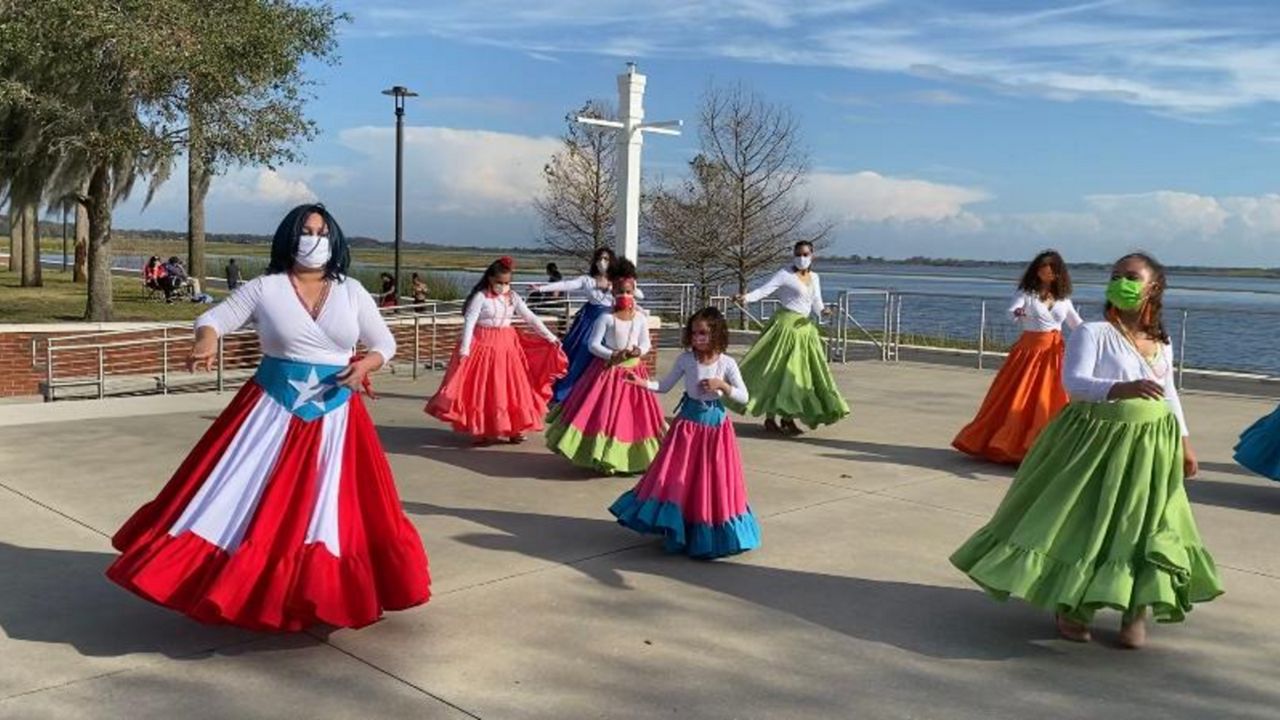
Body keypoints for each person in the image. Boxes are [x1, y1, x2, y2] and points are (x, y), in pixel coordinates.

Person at [106, 203, 431, 631]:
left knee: (330, 510)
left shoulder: (351, 290)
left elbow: (384, 342)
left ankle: (318, 592)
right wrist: (206, 342)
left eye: (320, 232)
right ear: (287, 237)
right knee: (242, 501)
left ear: (333, 240)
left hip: (336, 416)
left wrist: (367, 364)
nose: (313, 239)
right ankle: (246, 588)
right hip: (270, 412)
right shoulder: (266, 288)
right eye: (304, 230)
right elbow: (215, 317)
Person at [950, 252, 1222, 649]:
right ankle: (1073, 605)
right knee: (1086, 521)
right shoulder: (1093, 332)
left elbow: (1170, 394)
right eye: (1115, 275)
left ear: (1154, 287)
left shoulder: (1161, 341)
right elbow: (1074, 383)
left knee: (1145, 523)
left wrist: (1184, 441)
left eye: (1130, 276)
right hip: (1098, 439)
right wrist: (1119, 389)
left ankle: (1136, 608)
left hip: (1152, 443)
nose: (1120, 282)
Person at [610, 307, 760, 559]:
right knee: (679, 477)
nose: (697, 338)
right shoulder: (685, 360)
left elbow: (744, 397)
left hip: (715, 431)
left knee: (710, 481)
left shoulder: (726, 363)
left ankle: (708, 529)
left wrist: (722, 385)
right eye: (693, 333)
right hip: (686, 429)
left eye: (703, 333)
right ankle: (677, 526)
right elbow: (665, 386)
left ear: (717, 334)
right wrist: (642, 383)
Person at [953, 250, 1083, 464]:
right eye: (1042, 268)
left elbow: (1077, 325)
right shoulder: (1027, 294)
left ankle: (1047, 446)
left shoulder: (1063, 300)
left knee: (1051, 399)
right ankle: (1009, 445)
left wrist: (1100, 334)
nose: (1046, 272)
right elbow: (1010, 311)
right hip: (1028, 353)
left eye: (1050, 269)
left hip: (1054, 355)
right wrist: (1018, 313)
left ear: (1058, 273)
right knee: (1017, 396)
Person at [425, 257, 567, 445]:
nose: (503, 286)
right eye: (499, 282)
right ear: (491, 279)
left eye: (507, 282)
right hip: (483, 346)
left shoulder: (513, 297)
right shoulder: (481, 296)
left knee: (512, 388)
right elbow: (470, 321)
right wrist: (465, 349)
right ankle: (484, 428)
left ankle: (515, 428)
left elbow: (530, 318)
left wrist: (551, 337)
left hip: (508, 346)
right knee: (486, 389)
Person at [545, 259, 666, 475]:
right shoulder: (605, 317)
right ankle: (601, 455)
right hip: (606, 373)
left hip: (633, 374)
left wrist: (640, 351)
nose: (625, 296)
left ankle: (633, 458)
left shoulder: (639, 318)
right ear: (613, 292)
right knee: (604, 417)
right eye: (620, 292)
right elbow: (593, 344)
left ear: (634, 291)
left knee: (633, 418)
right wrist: (612, 354)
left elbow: (645, 342)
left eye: (628, 292)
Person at [731, 240, 849, 435]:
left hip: (804, 330)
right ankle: (770, 418)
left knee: (798, 376)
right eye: (798, 254)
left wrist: (824, 311)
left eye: (805, 254)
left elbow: (816, 303)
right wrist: (745, 297)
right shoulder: (785, 274)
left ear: (812, 256)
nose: (801, 258)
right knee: (776, 372)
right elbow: (763, 291)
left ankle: (788, 418)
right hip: (784, 328)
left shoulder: (815, 277)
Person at [536, 248, 645, 404]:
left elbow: (637, 295)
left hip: (611, 321)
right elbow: (567, 285)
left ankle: (594, 397)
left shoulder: (617, 282)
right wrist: (541, 288)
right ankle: (564, 396)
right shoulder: (587, 280)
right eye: (600, 259)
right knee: (578, 359)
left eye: (607, 259)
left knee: (601, 364)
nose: (603, 262)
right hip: (589, 322)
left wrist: (624, 281)